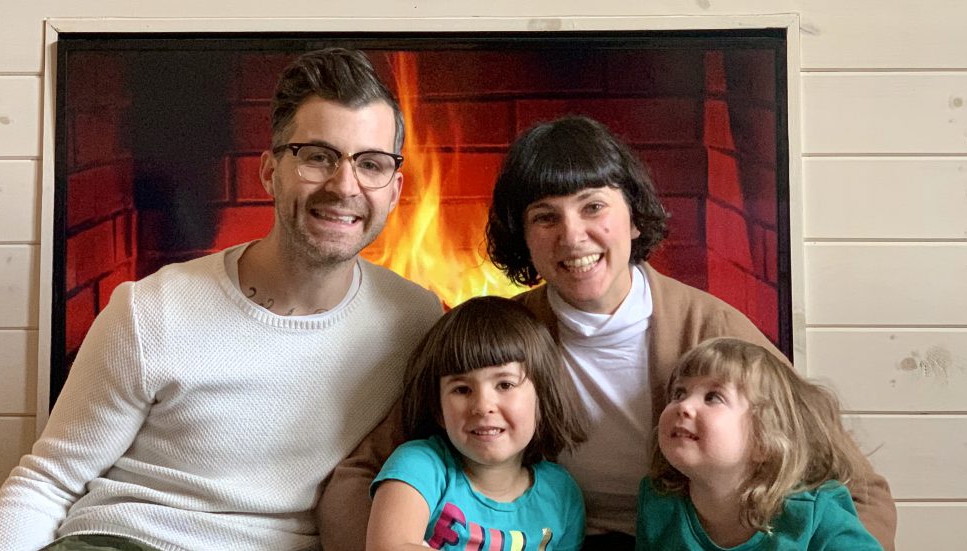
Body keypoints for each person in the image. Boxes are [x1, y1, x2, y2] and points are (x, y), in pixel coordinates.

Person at [317, 115, 896, 551]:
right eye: (545, 217)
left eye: (593, 206)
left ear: (634, 214)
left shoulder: (713, 331)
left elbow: (856, 488)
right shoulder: (500, 342)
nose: (573, 236)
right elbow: (359, 473)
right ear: (523, 239)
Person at [0, 48, 444, 551]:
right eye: (317, 157)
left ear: (394, 191)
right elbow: (46, 483)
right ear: (269, 172)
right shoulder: (149, 311)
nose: (344, 185)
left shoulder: (414, 321)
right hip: (126, 539)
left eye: (370, 164)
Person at [366, 296, 588, 551]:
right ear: (438, 408)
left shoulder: (561, 493)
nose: (483, 406)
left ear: (542, 399)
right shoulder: (420, 466)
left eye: (505, 384)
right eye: (462, 389)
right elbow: (390, 547)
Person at [637, 337, 883, 550]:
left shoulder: (814, 512)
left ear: (764, 440)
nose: (684, 406)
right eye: (679, 393)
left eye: (713, 397)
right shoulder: (659, 501)